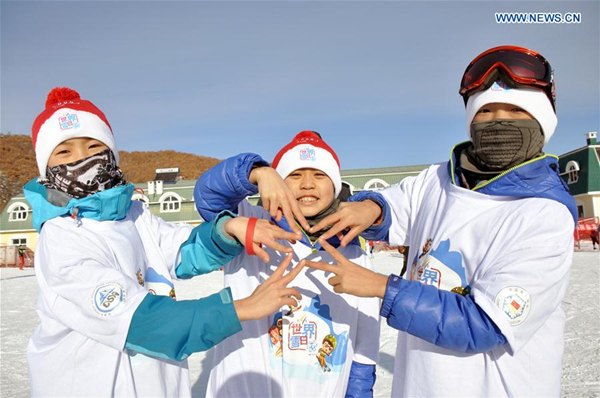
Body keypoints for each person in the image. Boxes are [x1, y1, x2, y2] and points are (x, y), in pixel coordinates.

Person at [306, 46, 577, 397]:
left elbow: (482, 324)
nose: (498, 121)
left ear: (542, 121)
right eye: (486, 111)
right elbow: (393, 205)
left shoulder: (543, 214)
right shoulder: (438, 179)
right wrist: (370, 208)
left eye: (514, 110)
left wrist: (379, 286)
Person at [24, 87, 304, 397]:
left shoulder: (132, 213)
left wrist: (229, 228)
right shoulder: (62, 236)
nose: (83, 158)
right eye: (64, 152)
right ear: (45, 166)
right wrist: (243, 308)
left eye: (93, 145)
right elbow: (143, 323)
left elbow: (183, 250)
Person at [194, 131, 381, 397]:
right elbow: (208, 195)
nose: (307, 184)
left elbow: (365, 346)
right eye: (294, 175)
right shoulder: (251, 222)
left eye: (319, 175)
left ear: (336, 186)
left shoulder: (354, 254)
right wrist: (257, 172)